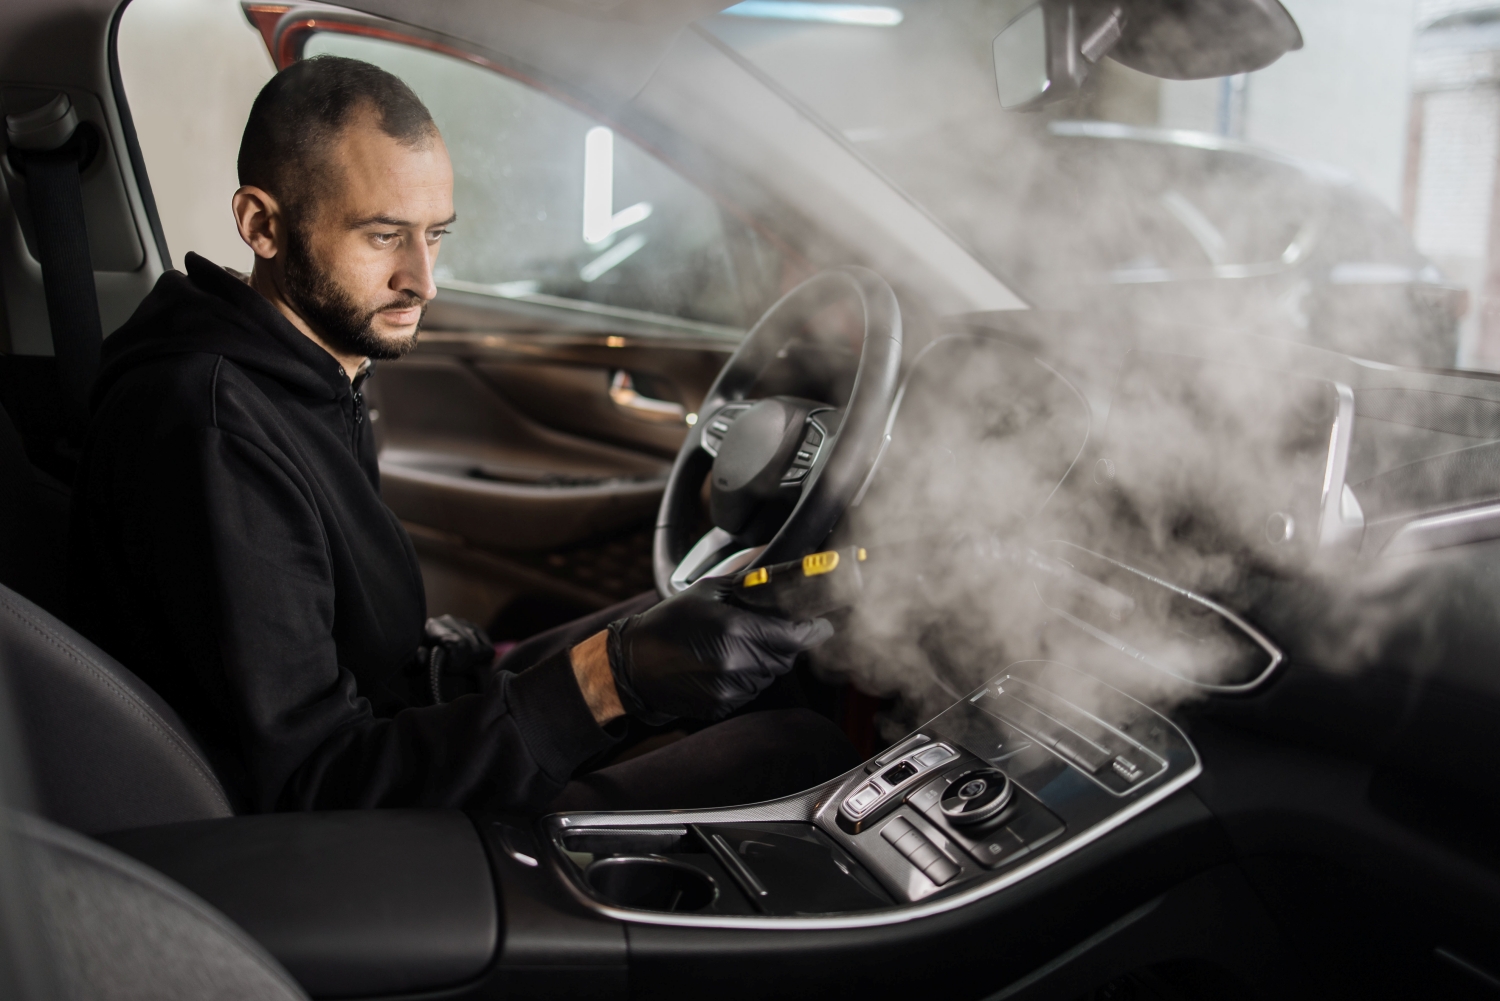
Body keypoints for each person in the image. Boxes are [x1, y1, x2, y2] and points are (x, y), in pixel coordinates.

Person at [66, 56, 859, 814]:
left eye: (435, 233)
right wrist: (604, 680)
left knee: (717, 632)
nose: (423, 278)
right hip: (354, 851)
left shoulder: (306, 370)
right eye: (383, 236)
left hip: (397, 734)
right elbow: (316, 782)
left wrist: (618, 651)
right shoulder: (211, 432)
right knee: (798, 748)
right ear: (262, 225)